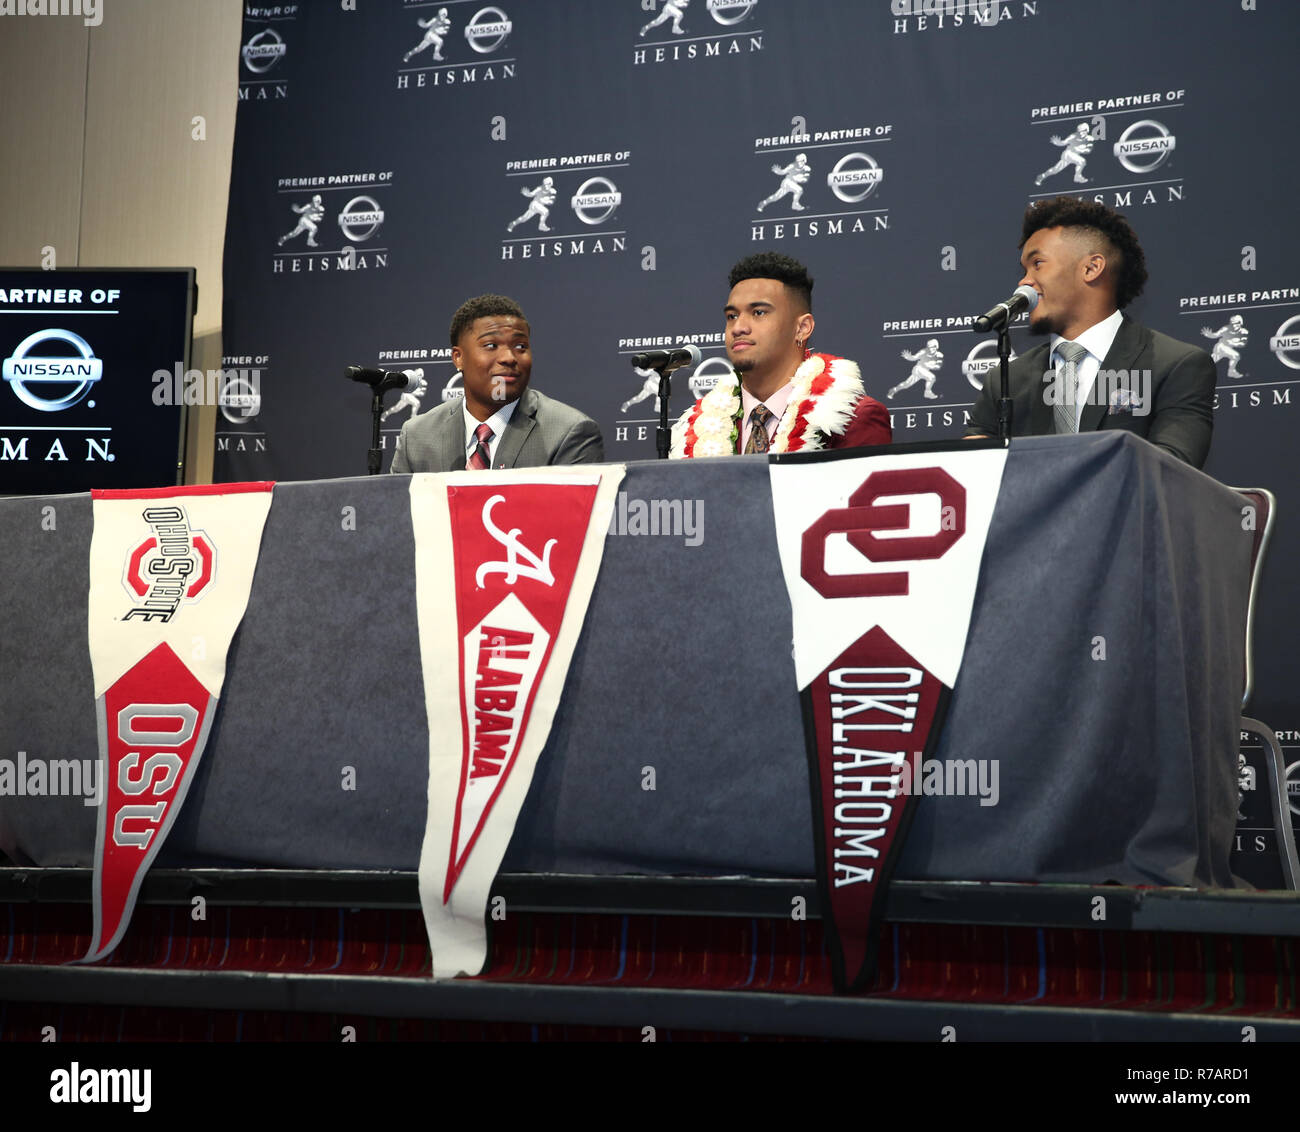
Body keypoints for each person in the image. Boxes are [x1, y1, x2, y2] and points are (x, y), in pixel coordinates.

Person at [965, 197, 1215, 469]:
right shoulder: (1006, 382)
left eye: (1037, 263)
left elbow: (1171, 469)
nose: (1024, 281)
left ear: (1091, 268)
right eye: (1024, 269)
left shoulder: (1175, 365)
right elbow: (973, 478)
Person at [671, 252, 890, 457]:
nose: (738, 327)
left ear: (802, 328)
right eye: (731, 315)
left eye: (758, 312)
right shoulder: (695, 429)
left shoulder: (852, 420)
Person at [390, 294, 603, 473]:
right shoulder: (417, 437)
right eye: (491, 345)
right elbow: (396, 518)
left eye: (520, 346)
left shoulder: (569, 433)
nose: (509, 357)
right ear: (458, 357)